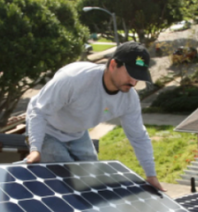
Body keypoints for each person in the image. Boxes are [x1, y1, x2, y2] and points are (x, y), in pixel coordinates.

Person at [24, 42, 166, 192]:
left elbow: (138, 136)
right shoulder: (74, 79)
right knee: (65, 177)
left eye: (138, 77)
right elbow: (39, 112)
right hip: (47, 128)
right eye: (130, 74)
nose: (133, 82)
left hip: (78, 132)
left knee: (91, 179)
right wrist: (35, 149)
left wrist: (151, 175)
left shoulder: (129, 99)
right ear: (113, 65)